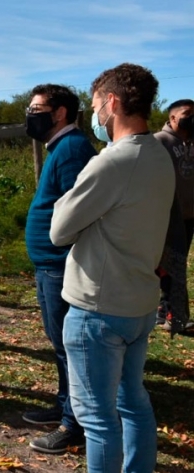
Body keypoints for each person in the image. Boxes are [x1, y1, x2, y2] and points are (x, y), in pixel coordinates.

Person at [50, 63, 174, 473]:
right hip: (138, 303)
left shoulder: (112, 163)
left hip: (97, 308)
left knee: (98, 420)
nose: (94, 115)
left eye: (95, 105)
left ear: (113, 102)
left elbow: (59, 229)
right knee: (133, 402)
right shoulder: (160, 153)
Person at [21, 84, 95, 454]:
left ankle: (74, 423)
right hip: (49, 266)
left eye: (36, 109)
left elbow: (78, 213)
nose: (29, 115)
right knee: (60, 344)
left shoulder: (71, 150)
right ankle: (64, 404)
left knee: (69, 348)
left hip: (59, 266)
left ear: (60, 112)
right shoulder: (61, 148)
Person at [154, 99, 194, 332]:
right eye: (187, 114)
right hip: (169, 216)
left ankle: (163, 310)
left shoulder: (191, 141)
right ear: (172, 118)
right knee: (173, 265)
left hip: (189, 216)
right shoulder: (160, 142)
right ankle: (176, 317)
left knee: (170, 265)